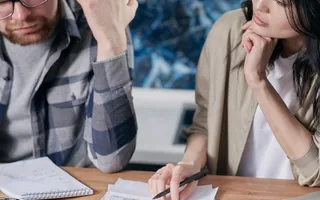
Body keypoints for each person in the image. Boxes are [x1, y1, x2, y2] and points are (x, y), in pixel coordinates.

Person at [148, 0, 320, 199]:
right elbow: (205, 124)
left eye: (281, 2)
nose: (261, 6)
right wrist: (188, 167)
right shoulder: (229, 30)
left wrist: (258, 81)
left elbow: (315, 171)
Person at [0, 0, 138, 173]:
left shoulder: (102, 20)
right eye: (2, 2)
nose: (21, 15)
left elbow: (112, 160)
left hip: (79, 185)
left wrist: (110, 43)